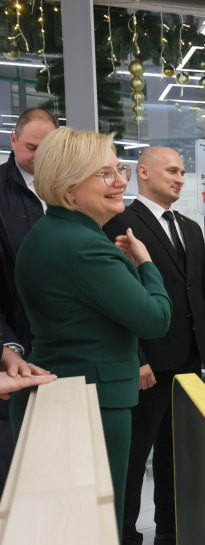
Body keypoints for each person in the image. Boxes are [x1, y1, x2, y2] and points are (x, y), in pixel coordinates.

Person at [10, 127, 172, 538]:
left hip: (68, 393)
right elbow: (155, 319)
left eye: (119, 169)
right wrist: (146, 264)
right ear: (69, 186)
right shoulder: (85, 246)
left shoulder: (52, 234)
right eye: (105, 173)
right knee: (96, 526)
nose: (120, 181)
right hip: (94, 401)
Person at [104, 147, 205, 545]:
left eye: (183, 172)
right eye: (172, 170)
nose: (180, 178)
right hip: (148, 362)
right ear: (143, 172)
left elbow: (202, 292)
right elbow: (116, 297)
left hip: (187, 361)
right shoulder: (120, 222)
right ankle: (124, 533)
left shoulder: (190, 228)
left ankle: (170, 531)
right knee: (134, 457)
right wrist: (137, 356)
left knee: (175, 453)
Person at [0, 107, 57, 492]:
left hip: (62, 352)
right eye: (31, 147)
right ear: (13, 140)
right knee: (15, 475)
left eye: (46, 148)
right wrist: (8, 345)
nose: (38, 156)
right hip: (15, 354)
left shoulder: (68, 190)